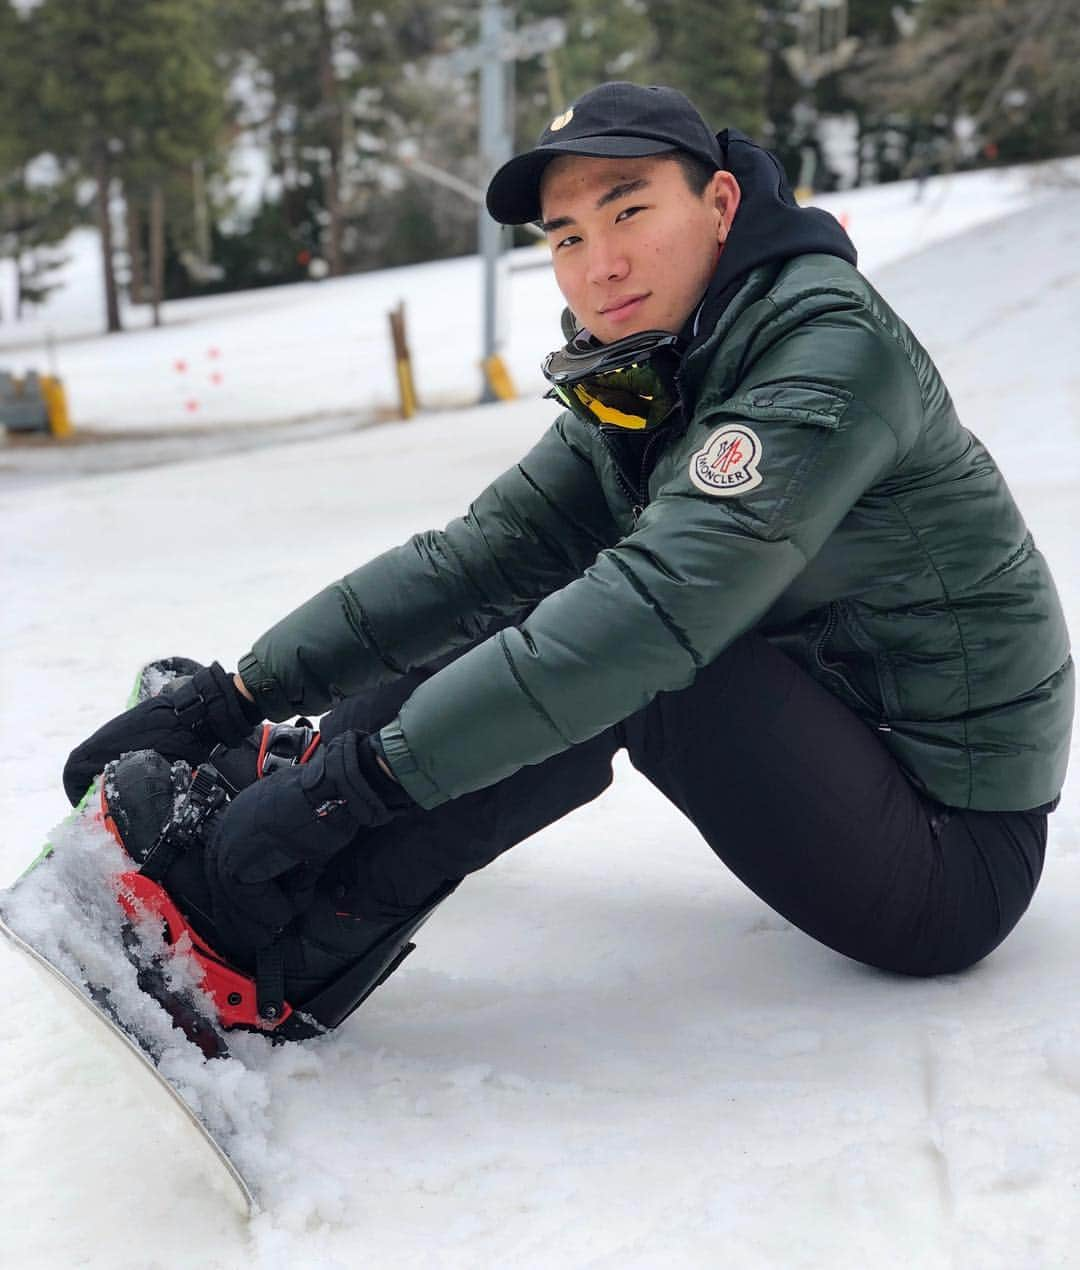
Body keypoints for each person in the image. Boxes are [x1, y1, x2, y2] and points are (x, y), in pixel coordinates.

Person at [66, 82, 1072, 1038]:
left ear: (720, 203)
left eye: (629, 212)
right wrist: (241, 692)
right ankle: (289, 781)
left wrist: (361, 787)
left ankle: (281, 949)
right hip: (839, 733)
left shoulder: (823, 349)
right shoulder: (658, 368)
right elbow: (473, 560)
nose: (602, 264)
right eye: (568, 236)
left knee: (639, 651)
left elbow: (644, 623)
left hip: (950, 843)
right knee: (552, 590)